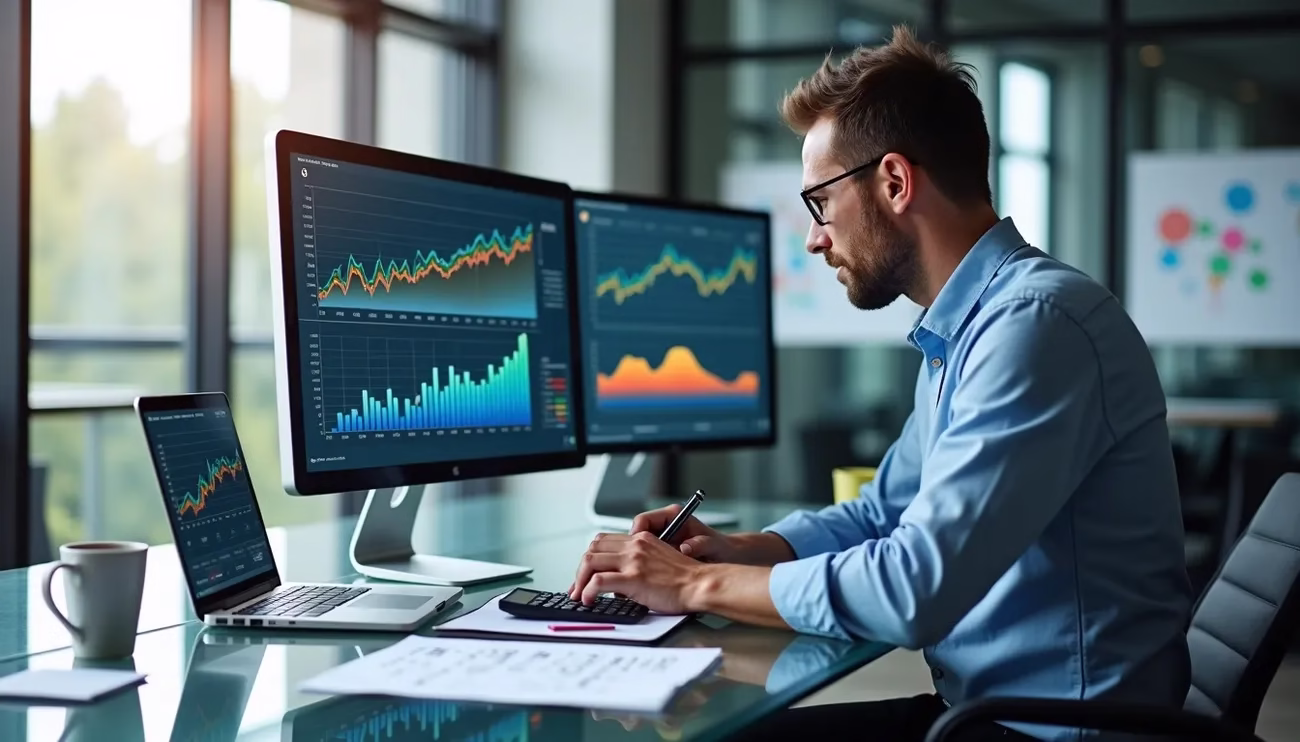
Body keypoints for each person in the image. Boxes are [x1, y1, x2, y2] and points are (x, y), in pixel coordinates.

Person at [568, 24, 1193, 742]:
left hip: (1051, 732)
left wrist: (691, 586)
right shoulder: (970, 329)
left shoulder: (1035, 325)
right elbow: (884, 515)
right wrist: (739, 549)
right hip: (994, 715)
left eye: (819, 203)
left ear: (894, 182)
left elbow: (912, 589)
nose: (814, 237)